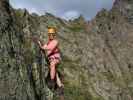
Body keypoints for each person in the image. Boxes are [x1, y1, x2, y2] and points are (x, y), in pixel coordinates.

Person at [37, 27, 64, 99]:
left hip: (55, 59)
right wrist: (40, 44)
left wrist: (42, 47)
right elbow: (44, 47)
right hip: (52, 59)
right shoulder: (48, 43)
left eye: (52, 34)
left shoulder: (55, 41)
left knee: (52, 65)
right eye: (49, 34)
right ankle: (60, 88)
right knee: (56, 75)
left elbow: (50, 48)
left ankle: (52, 82)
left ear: (54, 35)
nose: (51, 35)